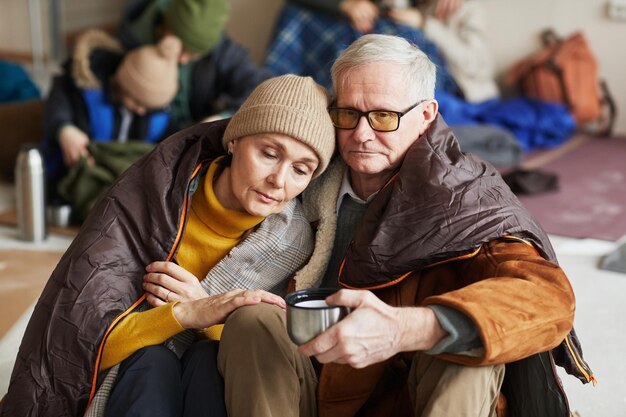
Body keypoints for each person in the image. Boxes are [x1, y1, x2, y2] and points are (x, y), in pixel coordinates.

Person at [217, 34, 594, 417]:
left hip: (409, 394)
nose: (362, 134)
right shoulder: (305, 168)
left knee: (463, 350)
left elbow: (547, 299)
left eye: (383, 116)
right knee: (253, 321)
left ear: (427, 115)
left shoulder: (465, 193)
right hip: (310, 381)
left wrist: (408, 328)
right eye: (348, 114)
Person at [0, 74, 336, 417]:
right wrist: (181, 315)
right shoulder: (155, 198)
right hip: (135, 376)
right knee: (151, 359)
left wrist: (204, 312)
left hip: (213, 382)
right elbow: (81, 346)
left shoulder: (291, 241)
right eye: (268, 154)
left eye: (301, 170)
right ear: (234, 140)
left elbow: (258, 362)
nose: (278, 181)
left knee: (207, 360)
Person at [42, 29, 182, 210]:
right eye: (136, 101)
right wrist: (64, 129)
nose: (140, 110)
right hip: (78, 168)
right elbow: (57, 104)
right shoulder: (87, 88)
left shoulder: (160, 118)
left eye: (147, 108)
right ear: (122, 81)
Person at [117, 0, 273, 130]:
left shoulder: (220, 50)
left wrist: (222, 118)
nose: (183, 59)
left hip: (194, 131)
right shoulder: (131, 41)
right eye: (182, 48)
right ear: (166, 25)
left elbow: (263, 87)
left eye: (194, 54)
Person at [264, 0, 458, 93]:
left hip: (393, 21)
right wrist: (343, 4)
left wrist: (423, 20)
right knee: (296, 16)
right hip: (336, 17)